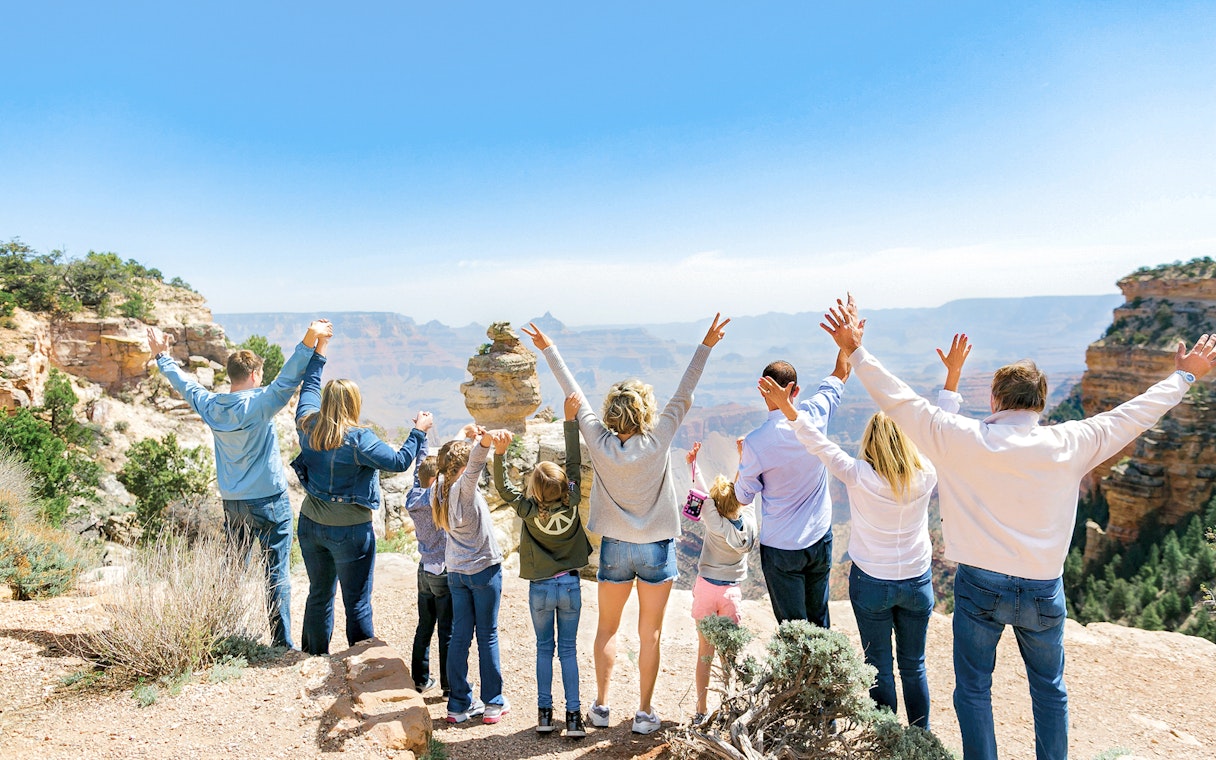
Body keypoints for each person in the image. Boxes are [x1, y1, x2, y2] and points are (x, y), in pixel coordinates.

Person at [820, 294, 1216, 760]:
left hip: (979, 588)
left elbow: (900, 401)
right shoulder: (1074, 440)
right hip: (1043, 590)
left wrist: (857, 351)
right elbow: (1135, 414)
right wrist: (1185, 375)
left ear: (994, 399)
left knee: (973, 690)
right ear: (1042, 402)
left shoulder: (962, 438)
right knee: (1049, 691)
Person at [522, 313, 730, 736]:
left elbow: (573, 393)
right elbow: (684, 393)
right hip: (656, 547)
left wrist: (548, 350)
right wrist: (706, 344)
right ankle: (644, 712)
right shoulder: (658, 440)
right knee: (650, 633)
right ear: (645, 412)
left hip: (615, 546)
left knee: (607, 629)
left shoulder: (598, 441)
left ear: (611, 414)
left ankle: (599, 706)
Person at [755, 335, 969, 730]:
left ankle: (885, 739)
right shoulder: (926, 471)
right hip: (917, 583)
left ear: (869, 442)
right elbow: (944, 425)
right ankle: (918, 736)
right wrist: (953, 375)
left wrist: (788, 410)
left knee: (879, 668)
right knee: (914, 666)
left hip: (872, 583)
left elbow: (817, 444)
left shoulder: (857, 475)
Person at [148, 319, 332, 649]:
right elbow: (289, 378)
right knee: (276, 572)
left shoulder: (211, 406)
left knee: (232, 569)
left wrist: (162, 358)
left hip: (233, 502)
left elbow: (185, 385)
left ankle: (217, 634)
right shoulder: (260, 404)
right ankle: (280, 642)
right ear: (255, 375)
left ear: (231, 375)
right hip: (270, 502)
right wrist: (312, 336)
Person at [291, 332, 432, 655]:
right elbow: (399, 462)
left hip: (310, 524)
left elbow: (310, 385)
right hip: (350, 532)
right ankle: (364, 664)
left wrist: (320, 350)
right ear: (355, 404)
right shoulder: (360, 439)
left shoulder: (307, 424)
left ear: (326, 402)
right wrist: (418, 432)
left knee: (319, 593)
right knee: (356, 600)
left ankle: (313, 656)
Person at [492, 392, 592, 739]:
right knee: (568, 651)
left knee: (543, 650)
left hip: (540, 589)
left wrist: (500, 454)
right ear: (564, 484)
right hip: (570, 587)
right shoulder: (574, 498)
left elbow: (504, 490)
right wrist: (570, 420)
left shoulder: (528, 510)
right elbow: (576, 462)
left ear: (534, 489)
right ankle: (575, 718)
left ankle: (545, 715)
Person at [734, 349, 850, 627]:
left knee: (792, 626)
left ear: (762, 390)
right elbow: (841, 373)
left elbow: (743, 496)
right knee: (819, 619)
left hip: (781, 547)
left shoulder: (756, 443)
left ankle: (799, 670)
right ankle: (823, 670)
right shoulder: (817, 415)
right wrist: (847, 342)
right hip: (820, 537)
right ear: (796, 390)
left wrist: (743, 462)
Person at [433, 425, 509, 725]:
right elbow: (475, 461)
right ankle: (493, 704)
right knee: (487, 635)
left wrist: (463, 434)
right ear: (463, 469)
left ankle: (458, 704)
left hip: (456, 573)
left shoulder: (437, 487)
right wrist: (485, 440)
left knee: (460, 636)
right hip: (483, 570)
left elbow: (443, 459)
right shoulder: (464, 488)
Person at [683, 441, 756, 726]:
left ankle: (701, 709)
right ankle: (729, 706)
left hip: (706, 590)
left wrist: (694, 464)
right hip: (730, 595)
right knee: (729, 655)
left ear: (713, 507)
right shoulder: (749, 522)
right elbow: (745, 496)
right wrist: (743, 460)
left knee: (705, 653)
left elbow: (703, 495)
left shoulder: (713, 522)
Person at [406, 446, 451, 697]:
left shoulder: (414, 498)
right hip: (443, 572)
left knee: (424, 626)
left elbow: (419, 472)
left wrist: (421, 440)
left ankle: (420, 680)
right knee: (447, 629)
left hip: (423, 570)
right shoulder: (437, 499)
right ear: (436, 481)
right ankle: (449, 686)